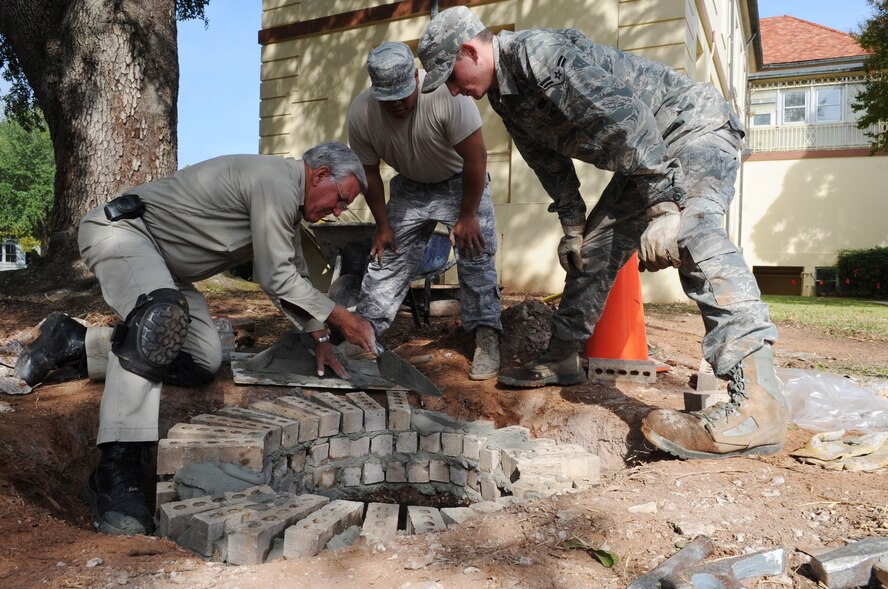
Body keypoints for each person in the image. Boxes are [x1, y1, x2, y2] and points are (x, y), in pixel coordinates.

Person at [417, 7, 786, 460]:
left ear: (470, 50)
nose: (452, 90)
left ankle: (759, 405)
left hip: (690, 130)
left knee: (693, 234)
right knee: (594, 249)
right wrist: (572, 225)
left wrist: (665, 206)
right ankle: (563, 357)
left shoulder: (540, 54)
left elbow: (626, 118)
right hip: (645, 156)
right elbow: (546, 160)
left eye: (450, 75)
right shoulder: (503, 94)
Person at [15, 142, 377, 535]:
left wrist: (321, 337)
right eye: (341, 199)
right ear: (321, 175)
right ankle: (116, 469)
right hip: (121, 233)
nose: (338, 211)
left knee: (203, 357)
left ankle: (75, 341)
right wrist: (343, 318)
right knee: (158, 323)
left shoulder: (287, 208)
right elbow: (277, 278)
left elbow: (291, 277)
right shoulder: (276, 181)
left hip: (166, 271)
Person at [347, 41, 502, 381]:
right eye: (390, 99)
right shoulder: (361, 113)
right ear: (376, 93)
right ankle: (364, 334)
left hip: (461, 181)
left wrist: (467, 216)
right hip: (410, 187)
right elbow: (369, 173)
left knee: (476, 253)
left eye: (404, 94)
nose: (399, 105)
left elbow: (476, 158)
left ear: (416, 78)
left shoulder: (446, 96)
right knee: (385, 257)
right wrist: (382, 224)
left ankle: (486, 335)